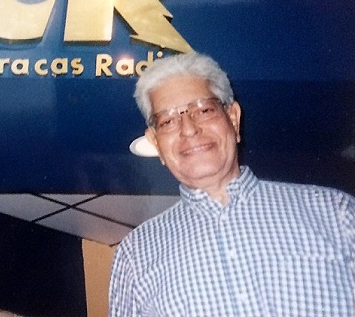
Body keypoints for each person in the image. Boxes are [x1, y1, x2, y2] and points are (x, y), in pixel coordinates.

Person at [108, 52, 354, 316]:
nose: (188, 129)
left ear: (233, 119)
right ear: (156, 142)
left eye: (203, 110)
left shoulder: (336, 214)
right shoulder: (136, 255)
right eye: (168, 121)